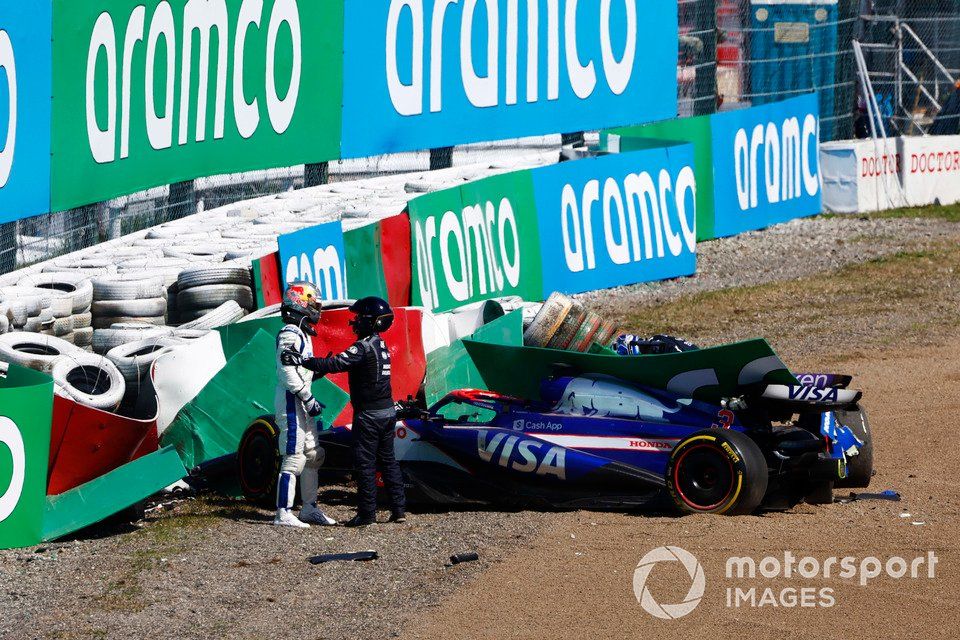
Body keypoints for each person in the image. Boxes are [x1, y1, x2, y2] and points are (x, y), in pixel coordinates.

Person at [281, 296, 406, 527]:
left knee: (365, 465)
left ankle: (367, 515)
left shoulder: (363, 346)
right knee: (389, 461)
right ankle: (399, 511)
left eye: (358, 318)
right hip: (388, 412)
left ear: (370, 321)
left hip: (369, 416)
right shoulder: (381, 345)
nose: (354, 322)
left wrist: (302, 360)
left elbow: (336, 364)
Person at [273, 281, 338, 528]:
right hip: (291, 401)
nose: (316, 310)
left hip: (301, 399)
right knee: (294, 455)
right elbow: (286, 371)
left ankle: (309, 508)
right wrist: (306, 397)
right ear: (300, 302)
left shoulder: (302, 333)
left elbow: (300, 367)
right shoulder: (290, 333)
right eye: (313, 304)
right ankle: (283, 512)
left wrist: (318, 371)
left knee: (313, 454)